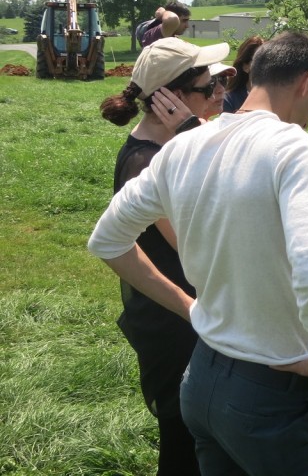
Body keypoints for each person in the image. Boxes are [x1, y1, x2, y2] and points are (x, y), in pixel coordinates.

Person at [88, 31, 308, 476]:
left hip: (201, 379)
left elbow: (106, 240)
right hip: (268, 388)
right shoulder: (291, 145)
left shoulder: (181, 147)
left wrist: (191, 308)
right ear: (307, 83)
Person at [98, 37, 231, 476]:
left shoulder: (171, 150)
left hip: (190, 315)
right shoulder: (147, 163)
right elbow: (199, 241)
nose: (217, 94)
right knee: (183, 442)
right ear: (167, 99)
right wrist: (196, 133)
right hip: (175, 321)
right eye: (206, 86)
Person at [222, 34, 265, 113]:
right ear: (245, 66)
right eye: (260, 60)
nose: (266, 65)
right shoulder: (229, 100)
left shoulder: (280, 98)